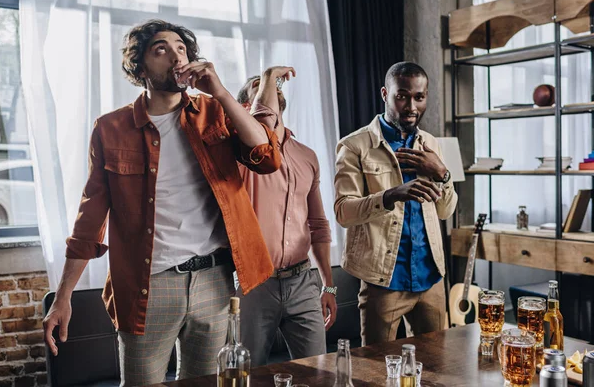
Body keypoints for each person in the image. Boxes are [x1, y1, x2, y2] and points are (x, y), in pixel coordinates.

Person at [42, 19, 280, 386]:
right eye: (161, 49)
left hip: (213, 279)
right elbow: (89, 219)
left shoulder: (214, 112)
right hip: (148, 284)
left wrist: (221, 92)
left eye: (182, 49)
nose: (176, 56)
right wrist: (62, 298)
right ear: (139, 67)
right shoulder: (110, 128)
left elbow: (266, 156)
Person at [333, 61, 457, 346]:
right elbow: (343, 212)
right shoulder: (354, 146)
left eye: (419, 97)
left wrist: (443, 174)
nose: (411, 106)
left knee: (438, 368)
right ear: (385, 93)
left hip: (432, 279)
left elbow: (445, 210)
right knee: (375, 372)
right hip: (384, 282)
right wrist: (391, 195)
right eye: (402, 96)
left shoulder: (431, 144)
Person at [235, 68, 337, 366]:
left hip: (303, 281)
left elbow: (318, 225)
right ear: (246, 108)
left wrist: (328, 285)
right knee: (245, 374)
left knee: (317, 373)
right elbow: (258, 125)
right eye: (260, 87)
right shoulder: (241, 153)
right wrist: (268, 76)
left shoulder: (307, 156)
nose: (272, 87)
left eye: (275, 86)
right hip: (253, 285)